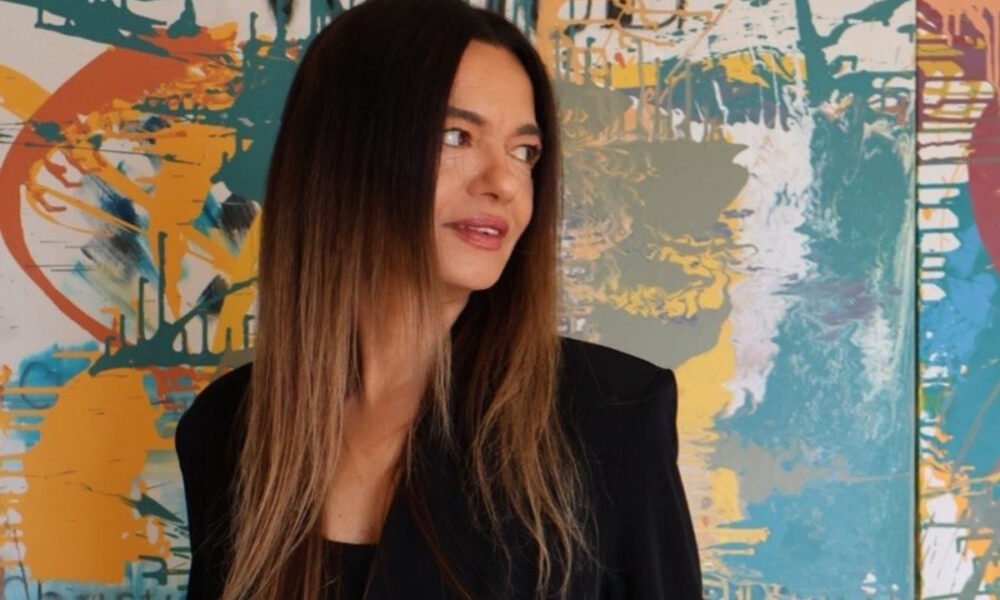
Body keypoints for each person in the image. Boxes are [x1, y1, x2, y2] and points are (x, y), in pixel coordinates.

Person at [174, 0, 702, 598]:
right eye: (457, 136)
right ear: (346, 156)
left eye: (524, 152)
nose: (504, 183)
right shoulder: (226, 430)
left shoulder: (610, 416)